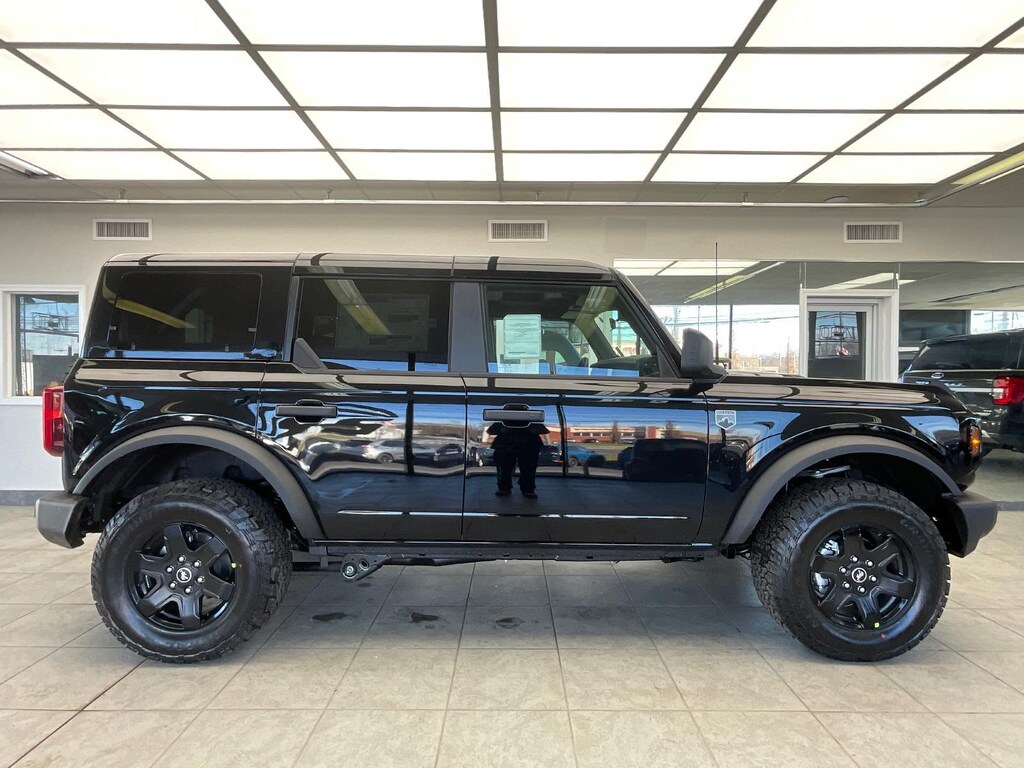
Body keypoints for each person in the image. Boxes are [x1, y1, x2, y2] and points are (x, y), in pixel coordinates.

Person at [487, 415, 549, 498]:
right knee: (504, 467)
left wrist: (534, 430)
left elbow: (544, 430)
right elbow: (490, 430)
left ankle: (528, 489)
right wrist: (501, 429)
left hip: (528, 445)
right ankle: (505, 487)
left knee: (528, 468)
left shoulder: (531, 418)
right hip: (506, 445)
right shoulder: (504, 418)